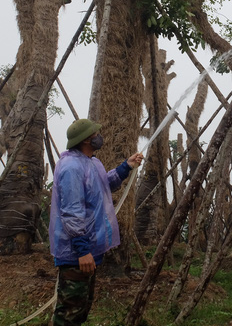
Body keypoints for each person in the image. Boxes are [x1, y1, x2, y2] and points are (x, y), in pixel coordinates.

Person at [49, 118, 143, 326]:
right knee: (69, 313)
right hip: (76, 253)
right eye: (95, 135)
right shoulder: (72, 167)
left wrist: (126, 167)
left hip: (89, 249)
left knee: (81, 309)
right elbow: (72, 211)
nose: (99, 137)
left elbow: (105, 184)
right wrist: (82, 251)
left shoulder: (92, 162)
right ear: (85, 141)